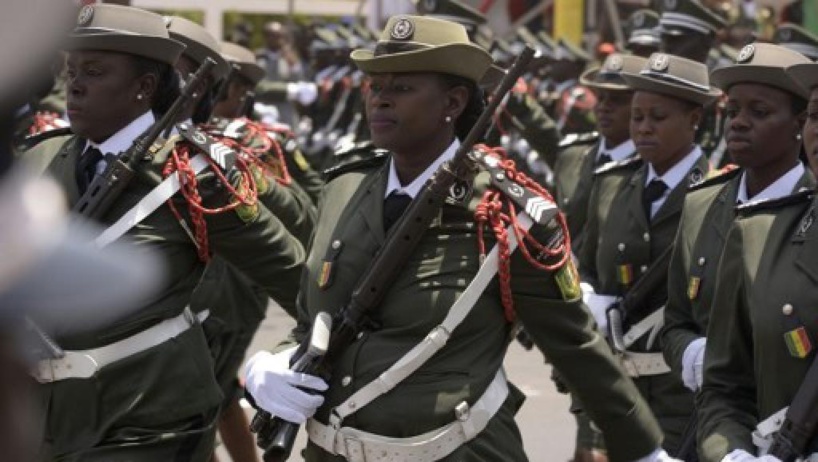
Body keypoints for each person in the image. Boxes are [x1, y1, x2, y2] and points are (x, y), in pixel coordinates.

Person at [244, 14, 676, 462]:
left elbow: (574, 344)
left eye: (403, 88)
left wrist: (644, 450)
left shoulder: (507, 213)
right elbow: (312, 318)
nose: (381, 99)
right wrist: (271, 363)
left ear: (453, 101)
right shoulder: (344, 189)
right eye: (377, 85)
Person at [21, 5, 306, 460]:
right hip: (48, 418)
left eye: (94, 72)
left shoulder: (194, 175)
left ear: (144, 87)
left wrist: (283, 361)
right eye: (72, 70)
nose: (74, 85)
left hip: (151, 418)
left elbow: (299, 281)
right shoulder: (39, 158)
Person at [661, 43, 814, 459]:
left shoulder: (799, 213)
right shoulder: (706, 206)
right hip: (717, 430)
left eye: (759, 113)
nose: (739, 124)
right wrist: (693, 354)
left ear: (798, 124)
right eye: (733, 112)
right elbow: (675, 321)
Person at [579, 52, 721, 456]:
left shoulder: (721, 194)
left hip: (686, 397)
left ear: (694, 119)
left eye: (657, 117)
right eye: (637, 116)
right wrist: (590, 294)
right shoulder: (610, 185)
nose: (642, 128)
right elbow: (587, 262)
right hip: (617, 392)